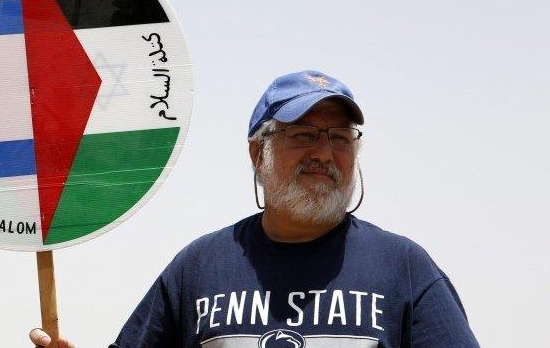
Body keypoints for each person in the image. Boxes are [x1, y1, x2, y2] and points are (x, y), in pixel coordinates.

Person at [30, 70, 480, 348]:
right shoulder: (199, 267)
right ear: (256, 152)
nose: (324, 153)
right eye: (303, 134)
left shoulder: (404, 268)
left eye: (340, 138)